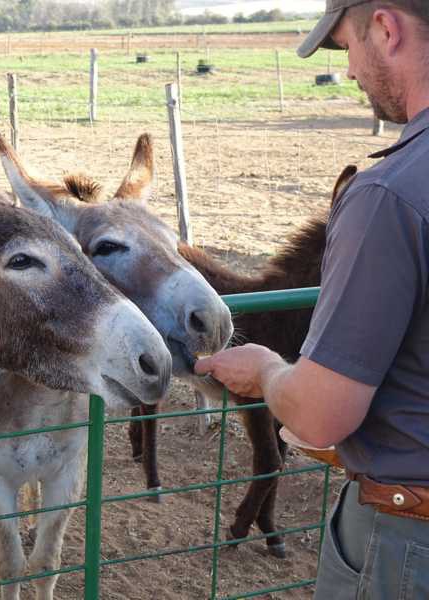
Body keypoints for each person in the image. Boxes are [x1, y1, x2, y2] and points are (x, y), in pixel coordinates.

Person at [194, 1, 429, 598]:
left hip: (406, 538)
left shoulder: (389, 197)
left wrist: (270, 372)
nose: (349, 69)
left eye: (347, 44)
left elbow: (323, 415)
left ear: (384, 27)